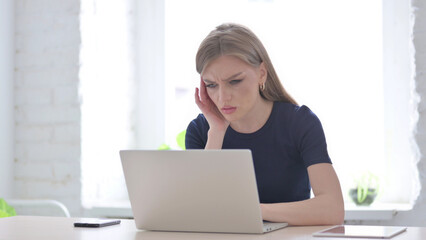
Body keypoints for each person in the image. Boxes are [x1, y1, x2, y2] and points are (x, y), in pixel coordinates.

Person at [185, 23, 344, 225]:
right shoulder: (201, 131)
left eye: (234, 81)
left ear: (261, 73)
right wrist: (216, 131)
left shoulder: (299, 123)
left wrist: (252, 210)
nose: (222, 97)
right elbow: (196, 211)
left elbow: (332, 209)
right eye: (211, 85)